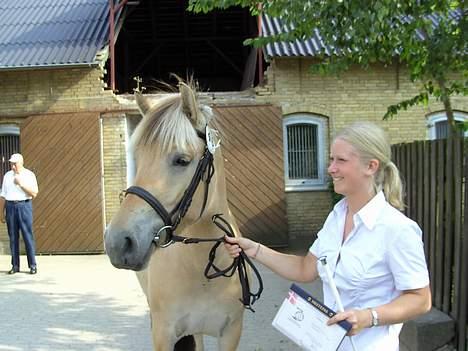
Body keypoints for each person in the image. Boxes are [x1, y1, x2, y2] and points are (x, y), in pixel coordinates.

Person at [224, 122, 431, 351]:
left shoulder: (398, 229)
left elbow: (420, 299)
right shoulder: (337, 216)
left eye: (340, 160)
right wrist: (255, 250)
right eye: (331, 159)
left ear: (371, 166)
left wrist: (367, 317)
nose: (331, 168)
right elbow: (305, 269)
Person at [0, 153, 39, 275]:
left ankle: (32, 265)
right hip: (11, 207)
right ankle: (15, 265)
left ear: (21, 163)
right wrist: (1, 213)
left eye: (15, 164)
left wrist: (21, 184)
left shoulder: (29, 175)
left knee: (28, 236)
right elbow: (3, 196)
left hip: (24, 206)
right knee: (13, 238)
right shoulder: (7, 176)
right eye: (12, 164)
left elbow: (34, 193)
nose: (13, 166)